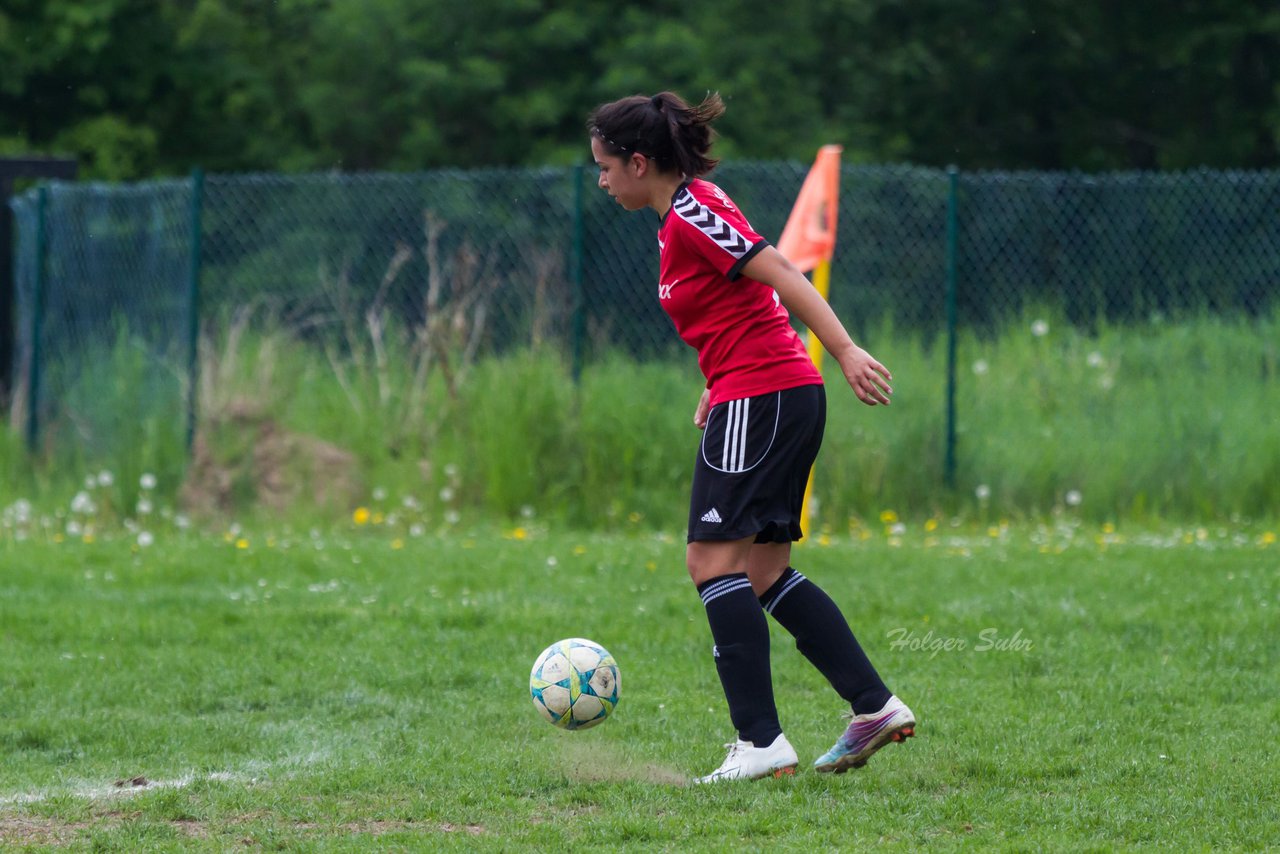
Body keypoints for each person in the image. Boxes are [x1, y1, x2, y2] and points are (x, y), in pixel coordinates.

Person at [587, 91, 916, 783]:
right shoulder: (685, 212)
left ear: (639, 163)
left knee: (711, 563)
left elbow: (780, 272)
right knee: (762, 570)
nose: (602, 180)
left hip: (764, 396)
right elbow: (740, 303)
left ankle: (760, 742)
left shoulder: (692, 213)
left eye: (606, 167)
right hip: (764, 392)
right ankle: (874, 706)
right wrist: (719, 375)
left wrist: (847, 348)